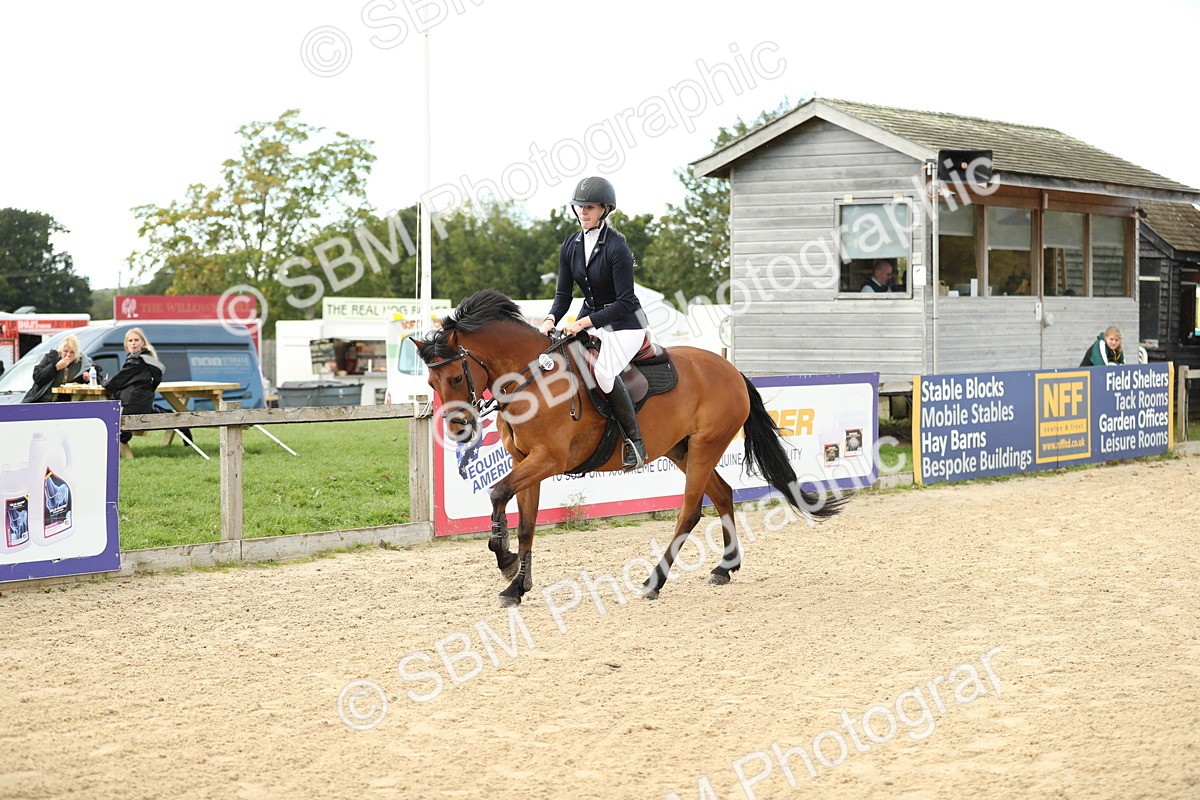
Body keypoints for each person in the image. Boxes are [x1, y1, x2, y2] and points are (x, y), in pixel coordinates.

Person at [538, 176, 649, 470]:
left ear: (604, 209)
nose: (582, 212)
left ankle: (635, 442)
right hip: (592, 321)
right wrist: (550, 319)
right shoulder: (570, 245)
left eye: (589, 207)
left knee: (602, 373)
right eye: (579, 207)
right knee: (562, 359)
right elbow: (563, 295)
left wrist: (583, 322)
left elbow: (625, 301)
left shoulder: (617, 247)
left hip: (626, 324)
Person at [104, 328, 164, 458]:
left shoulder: (136, 360)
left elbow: (114, 384)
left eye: (136, 340)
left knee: (109, 419)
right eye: (130, 340)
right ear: (126, 344)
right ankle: (121, 444)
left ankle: (123, 450)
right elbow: (155, 381)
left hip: (132, 405)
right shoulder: (149, 359)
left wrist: (104, 382)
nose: (133, 343)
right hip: (144, 404)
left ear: (143, 342)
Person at [21, 334, 95, 402]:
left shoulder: (82, 363)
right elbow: (37, 378)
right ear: (61, 350)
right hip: (41, 401)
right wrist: (55, 367)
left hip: (63, 405)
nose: (68, 355)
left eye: (72, 352)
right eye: (65, 351)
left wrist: (86, 379)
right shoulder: (51, 358)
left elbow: (95, 380)